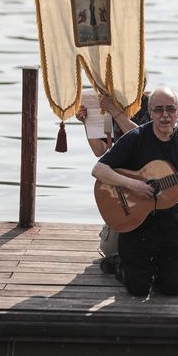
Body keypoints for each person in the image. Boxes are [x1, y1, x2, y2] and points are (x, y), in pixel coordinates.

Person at [91, 87, 178, 296]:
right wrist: (132, 184)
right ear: (150, 111)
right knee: (138, 289)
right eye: (158, 110)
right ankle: (118, 263)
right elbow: (99, 170)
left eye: (170, 109)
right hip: (138, 221)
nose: (165, 115)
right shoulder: (135, 137)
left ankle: (157, 268)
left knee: (171, 289)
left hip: (173, 220)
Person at [76, 91, 150, 271]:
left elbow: (147, 141)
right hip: (122, 182)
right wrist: (87, 122)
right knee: (111, 250)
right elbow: (99, 150)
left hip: (147, 175)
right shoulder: (103, 100)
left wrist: (114, 111)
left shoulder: (150, 103)